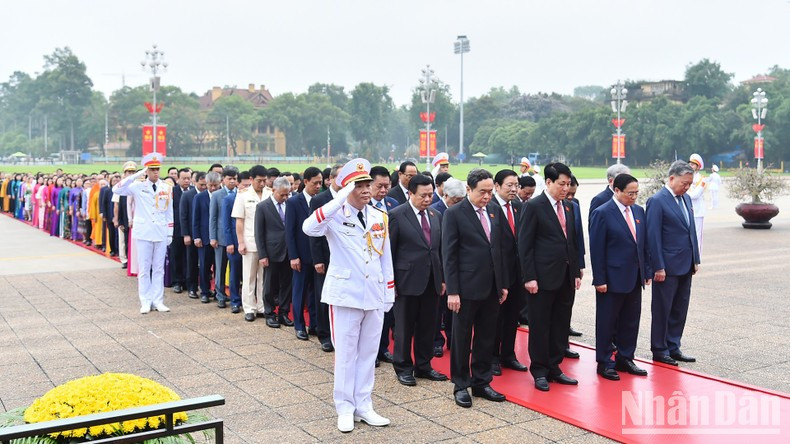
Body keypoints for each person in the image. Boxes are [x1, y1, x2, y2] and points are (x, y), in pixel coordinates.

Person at [302, 158, 394, 433]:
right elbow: (310, 228)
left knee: (368, 353)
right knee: (345, 354)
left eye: (368, 184)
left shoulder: (379, 216)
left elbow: (385, 256)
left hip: (374, 292)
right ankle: (344, 406)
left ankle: (364, 404)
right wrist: (340, 195)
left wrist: (389, 290)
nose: (367, 190)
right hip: (346, 294)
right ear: (346, 188)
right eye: (360, 185)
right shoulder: (334, 214)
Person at [443, 169, 509, 408]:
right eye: (483, 192)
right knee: (461, 338)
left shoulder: (494, 211)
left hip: (491, 287)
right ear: (469, 189)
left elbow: (499, 250)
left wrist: (502, 284)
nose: (487, 196)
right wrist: (452, 291)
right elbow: (449, 255)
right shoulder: (454, 214)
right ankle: (461, 385)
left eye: (491, 192)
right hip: (465, 288)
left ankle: (481, 381)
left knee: (486, 337)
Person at [517, 162, 582, 392]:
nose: (566, 188)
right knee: (540, 325)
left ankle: (555, 366)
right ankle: (540, 370)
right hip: (542, 278)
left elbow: (571, 241)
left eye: (568, 184)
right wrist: (529, 277)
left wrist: (575, 272)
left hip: (565, 276)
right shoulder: (534, 206)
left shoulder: (570, 206)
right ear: (548, 182)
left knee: (560, 324)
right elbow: (525, 245)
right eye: (561, 184)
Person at [589, 173, 651, 381]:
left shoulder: (638, 211)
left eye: (636, 193)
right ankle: (605, 361)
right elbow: (597, 249)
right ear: (616, 191)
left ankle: (626, 357)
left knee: (630, 320)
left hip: (634, 276)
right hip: (612, 278)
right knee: (607, 322)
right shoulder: (603, 213)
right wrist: (600, 279)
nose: (634, 197)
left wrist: (647, 270)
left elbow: (643, 244)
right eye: (630, 193)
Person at [389, 173, 448, 387]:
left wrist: (442, 279)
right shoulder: (396, 215)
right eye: (423, 195)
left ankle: (424, 365)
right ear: (411, 193)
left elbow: (438, 250)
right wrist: (391, 282)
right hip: (406, 280)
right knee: (404, 327)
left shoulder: (435, 215)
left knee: (428, 326)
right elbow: (390, 252)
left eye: (431, 194)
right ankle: (403, 367)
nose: (427, 199)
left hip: (432, 280)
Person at [646, 160, 700, 366]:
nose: (687, 187)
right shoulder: (657, 201)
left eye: (689, 183)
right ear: (671, 178)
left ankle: (673, 345)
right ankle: (660, 349)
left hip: (685, 264)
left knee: (680, 307)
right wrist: (658, 266)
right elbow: (653, 237)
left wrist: (695, 258)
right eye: (684, 182)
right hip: (666, 267)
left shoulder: (685, 199)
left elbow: (690, 230)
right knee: (662, 309)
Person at [112, 153, 174, 314]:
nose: (155, 172)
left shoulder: (166, 187)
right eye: (152, 169)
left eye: (157, 169)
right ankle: (145, 301)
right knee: (145, 269)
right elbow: (116, 188)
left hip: (160, 231)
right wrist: (137, 174)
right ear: (147, 170)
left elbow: (169, 211)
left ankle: (158, 300)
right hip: (144, 232)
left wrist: (170, 232)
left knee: (159, 268)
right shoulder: (138, 186)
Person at [490, 169, 528, 375]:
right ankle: (492, 356)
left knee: (513, 316)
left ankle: (508, 354)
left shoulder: (519, 207)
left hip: (517, 272)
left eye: (516, 185)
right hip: (497, 272)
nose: (514, 189)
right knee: (496, 317)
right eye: (509, 185)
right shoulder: (489, 207)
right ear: (497, 186)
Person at [309, 165, 344, 352]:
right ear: (331, 179)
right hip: (325, 256)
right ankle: (324, 335)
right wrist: (317, 260)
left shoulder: (350, 198)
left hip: (344, 257)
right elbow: (314, 233)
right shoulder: (320, 200)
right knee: (324, 296)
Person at [430, 177, 466, 357]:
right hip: (439, 266)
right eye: (455, 200)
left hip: (456, 267)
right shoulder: (435, 211)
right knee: (437, 310)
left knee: (454, 309)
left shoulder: (463, 211)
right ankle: (436, 341)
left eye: (461, 200)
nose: (458, 203)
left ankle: (454, 340)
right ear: (445, 195)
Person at [285, 167, 323, 339]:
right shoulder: (294, 202)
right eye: (315, 183)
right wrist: (293, 256)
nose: (318, 186)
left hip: (318, 256)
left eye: (320, 183)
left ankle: (314, 324)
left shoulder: (322, 201)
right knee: (299, 290)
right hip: (301, 254)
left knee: (316, 293)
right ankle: (299, 325)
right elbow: (290, 232)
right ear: (305, 181)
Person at [232, 165, 272, 322]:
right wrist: (240, 242)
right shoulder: (243, 195)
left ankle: (262, 306)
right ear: (251, 179)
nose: (262, 184)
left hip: (267, 242)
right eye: (259, 181)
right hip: (249, 241)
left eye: (264, 181)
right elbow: (239, 221)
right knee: (249, 276)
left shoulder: (270, 193)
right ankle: (249, 308)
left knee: (264, 276)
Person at [254, 176, 293, 328]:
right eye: (282, 194)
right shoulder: (263, 207)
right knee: (269, 285)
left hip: (289, 251)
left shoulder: (290, 204)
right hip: (271, 251)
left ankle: (283, 313)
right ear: (273, 190)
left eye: (287, 194)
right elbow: (259, 233)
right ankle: (269, 313)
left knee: (286, 284)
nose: (285, 197)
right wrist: (262, 255)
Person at [210, 167, 238, 305]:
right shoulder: (217, 195)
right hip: (221, 238)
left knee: (235, 270)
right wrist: (212, 237)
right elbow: (213, 218)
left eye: (234, 179)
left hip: (236, 238)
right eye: (229, 179)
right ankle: (220, 296)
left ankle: (235, 296)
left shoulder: (241, 194)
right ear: (223, 180)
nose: (232, 181)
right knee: (220, 269)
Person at [193, 172, 221, 303]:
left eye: (216, 185)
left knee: (218, 266)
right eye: (211, 185)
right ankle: (204, 291)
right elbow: (196, 219)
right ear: (206, 184)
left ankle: (218, 291)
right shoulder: (199, 198)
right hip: (204, 238)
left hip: (219, 238)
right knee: (204, 266)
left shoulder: (222, 196)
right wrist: (196, 236)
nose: (214, 188)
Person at [223, 171, 249, 314]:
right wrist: (229, 243)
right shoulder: (229, 199)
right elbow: (226, 223)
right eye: (244, 185)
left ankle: (247, 301)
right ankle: (235, 301)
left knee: (249, 274)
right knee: (235, 273)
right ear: (238, 184)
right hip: (234, 241)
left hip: (250, 241)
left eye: (248, 185)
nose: (246, 187)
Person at [180, 172, 203, 298]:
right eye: (202, 184)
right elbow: (183, 216)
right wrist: (186, 234)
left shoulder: (209, 195)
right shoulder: (188, 195)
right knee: (192, 262)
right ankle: (192, 288)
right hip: (191, 233)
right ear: (196, 182)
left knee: (204, 263)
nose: (204, 187)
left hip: (204, 234)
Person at [170, 168, 191, 292]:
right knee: (176, 256)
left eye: (189, 178)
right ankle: (177, 281)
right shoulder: (172, 192)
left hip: (190, 229)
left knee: (189, 257)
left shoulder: (193, 191)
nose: (186, 181)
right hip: (176, 229)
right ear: (178, 179)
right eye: (184, 178)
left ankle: (188, 281)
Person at [687, 154, 707, 254]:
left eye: (693, 164)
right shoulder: (686, 177)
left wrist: (683, 193)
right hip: (687, 210)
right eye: (690, 163)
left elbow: (695, 195)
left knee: (697, 236)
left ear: (698, 166)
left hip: (698, 211)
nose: (690, 166)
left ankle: (697, 258)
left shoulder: (702, 179)